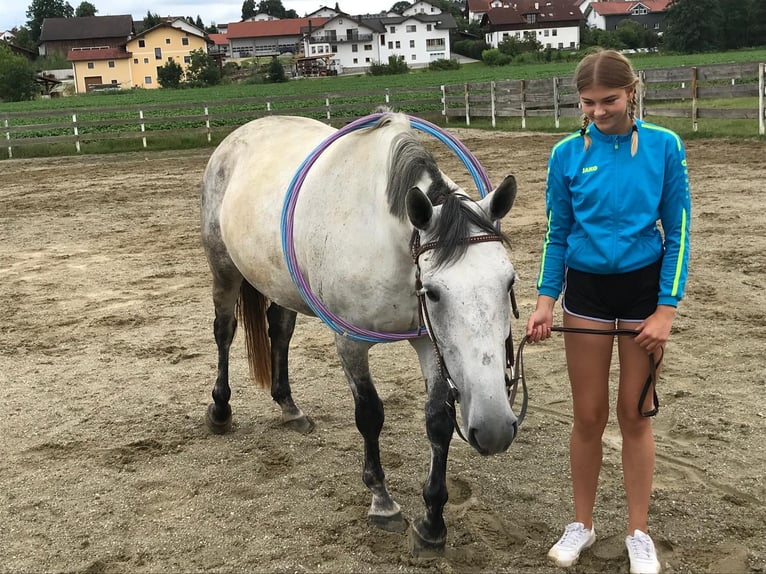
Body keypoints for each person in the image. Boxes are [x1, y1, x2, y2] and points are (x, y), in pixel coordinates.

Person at [526, 49, 691, 574]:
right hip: (588, 295)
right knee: (588, 416)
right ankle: (582, 523)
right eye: (589, 103)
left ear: (632, 91)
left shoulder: (665, 147)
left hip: (644, 294)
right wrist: (545, 300)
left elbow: (679, 231)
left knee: (635, 415)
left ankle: (638, 532)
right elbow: (559, 232)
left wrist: (666, 309)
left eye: (610, 101)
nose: (599, 112)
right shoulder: (566, 154)